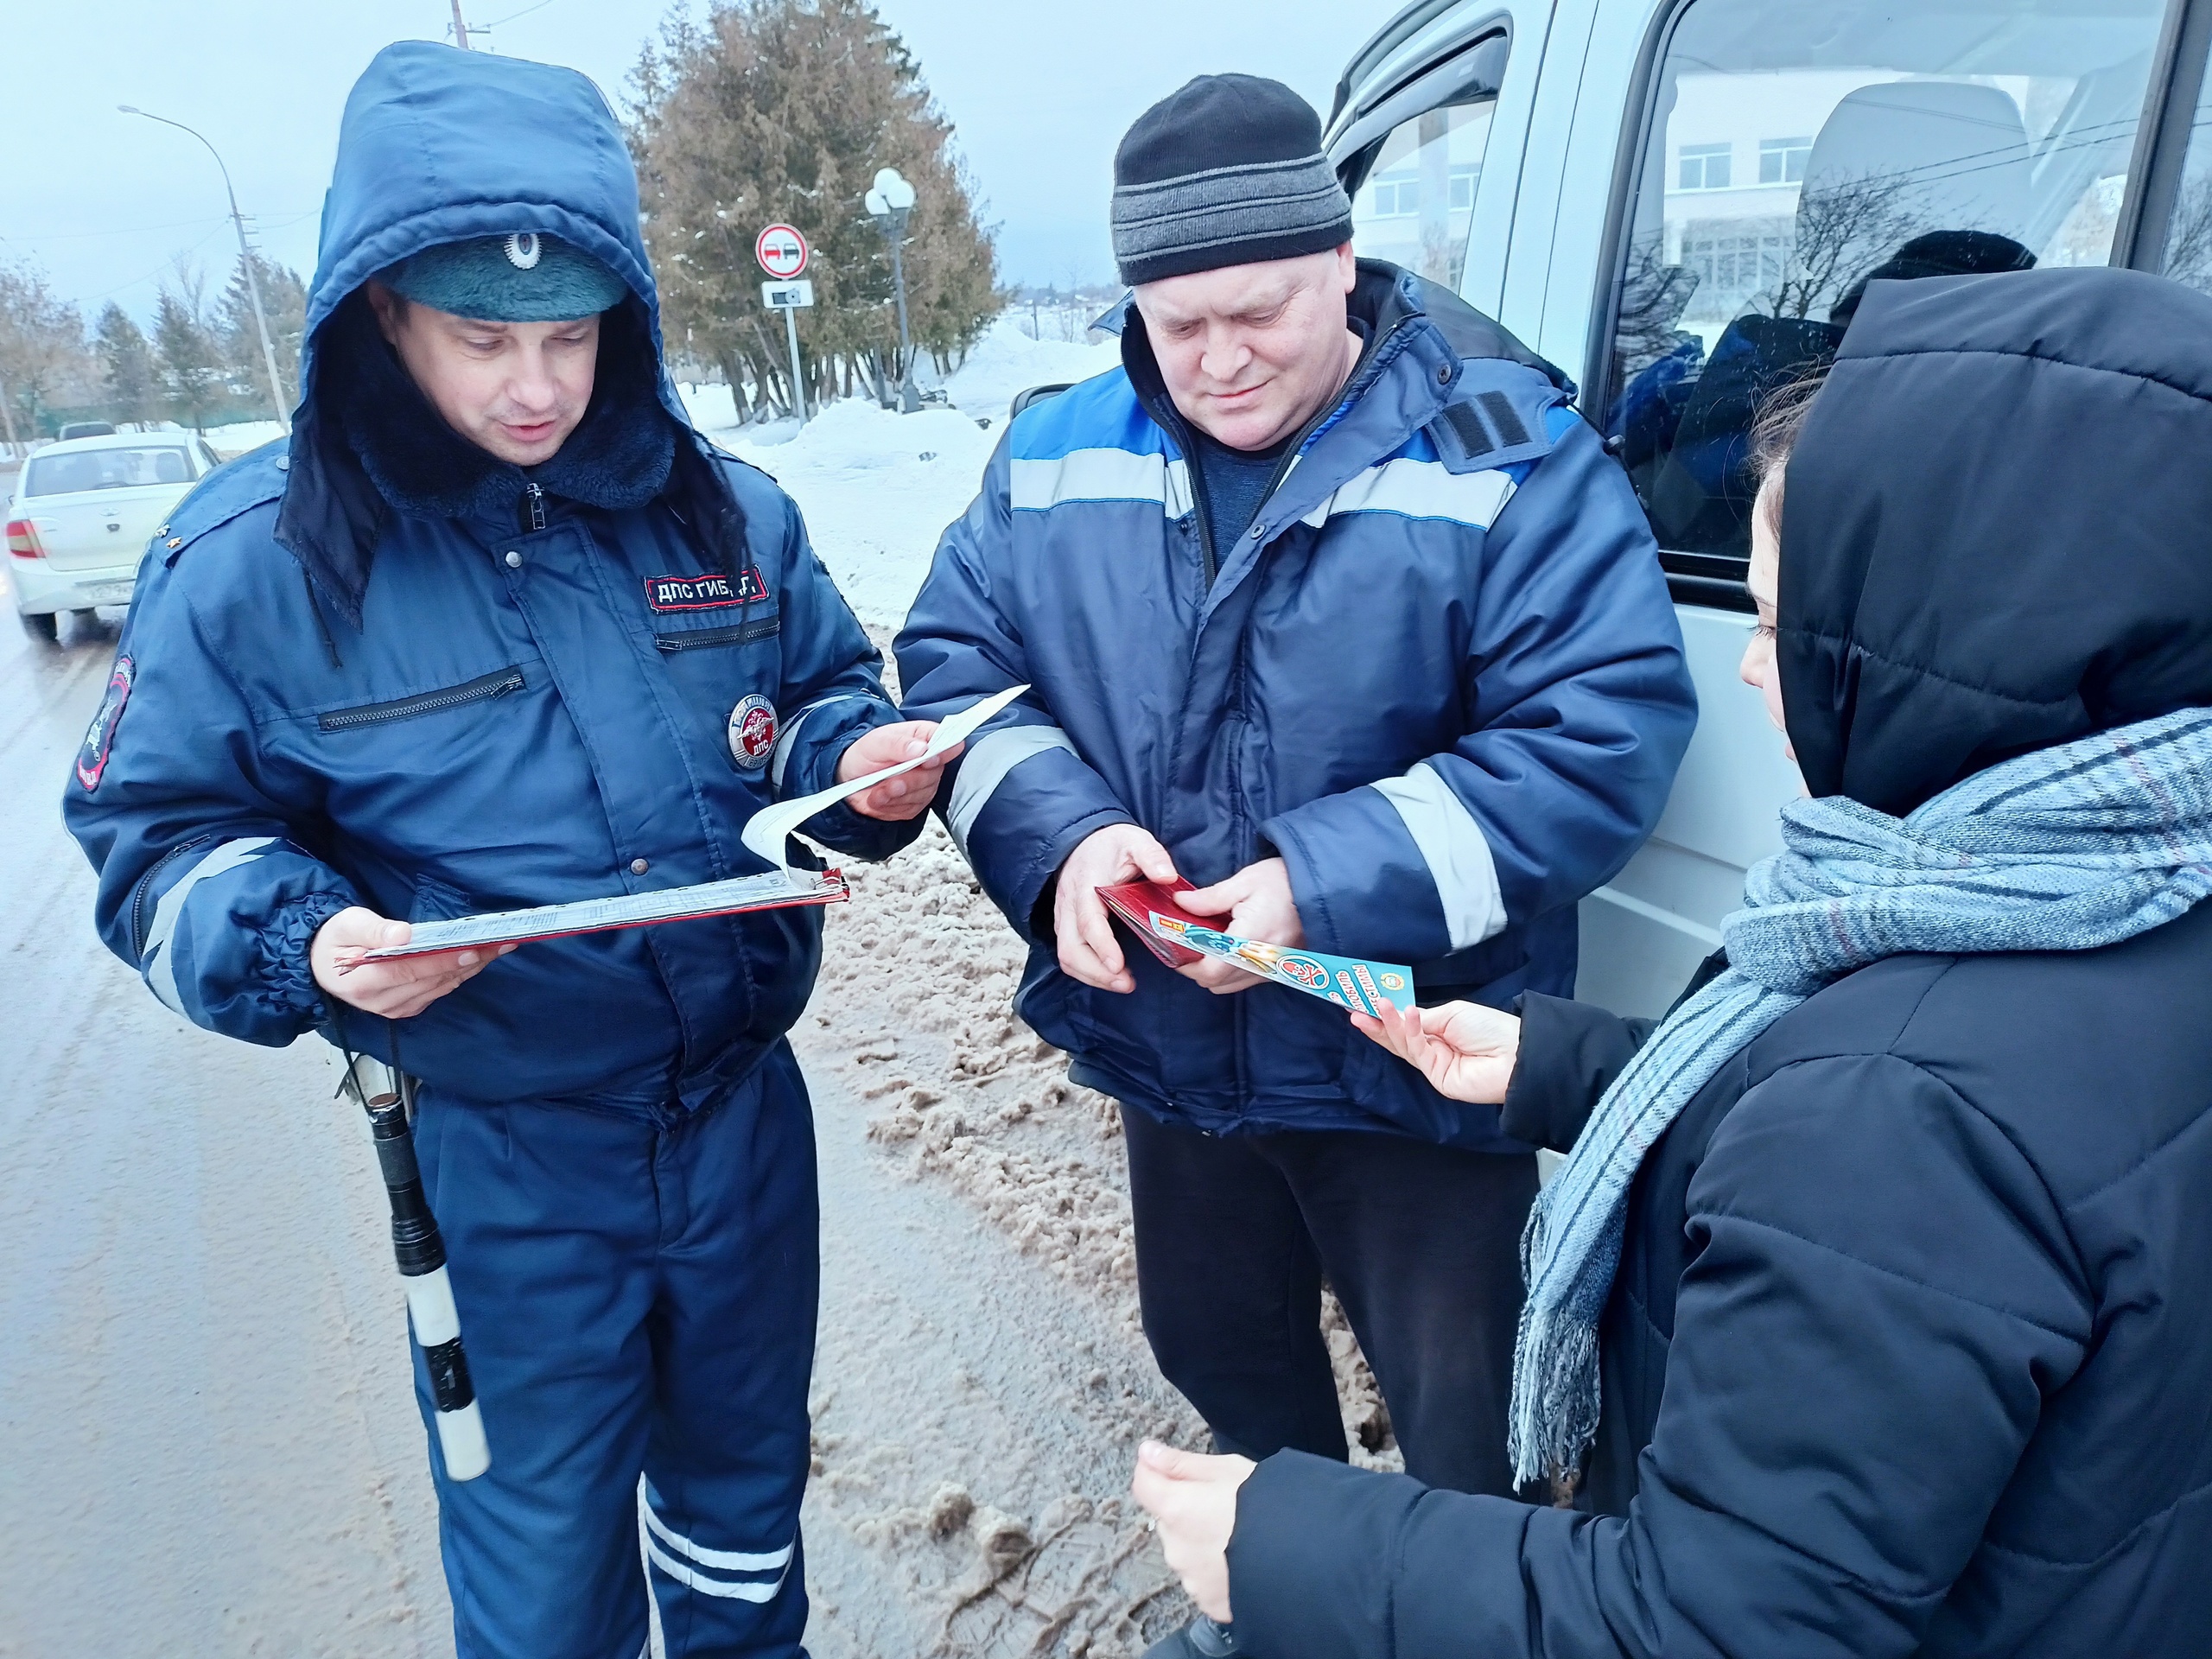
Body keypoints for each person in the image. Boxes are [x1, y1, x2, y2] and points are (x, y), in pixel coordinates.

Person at [1132, 265, 2212, 1656]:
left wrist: (1287, 1549)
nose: (1756, 672)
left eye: (1782, 621)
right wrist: (1575, 1064)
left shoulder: (1897, 1117)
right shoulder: (2112, 890)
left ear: (1945, 649)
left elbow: (1712, 1625)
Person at [64, 43, 954, 1659]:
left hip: (746, 1129)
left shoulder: (722, 513)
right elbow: (155, 841)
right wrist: (308, 941)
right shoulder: (256, 564)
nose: (535, 383)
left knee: (745, 1514)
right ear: (382, 317)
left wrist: (862, 771)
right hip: (504, 1167)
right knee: (544, 1580)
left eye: (569, 335)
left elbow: (816, 695)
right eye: (482, 339)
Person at [897, 73, 1695, 1650]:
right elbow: (951, 672)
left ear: (1341, 262)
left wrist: (1319, 884)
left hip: (1411, 1062)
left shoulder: (1503, 442)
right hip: (1175, 1052)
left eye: (1254, 312)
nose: (1215, 361)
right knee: (1222, 1354)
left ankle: (1450, 1618)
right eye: (1174, 323)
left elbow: (1601, 733)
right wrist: (1056, 841)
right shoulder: (1056, 450)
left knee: (1460, 1427)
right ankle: (1286, 1602)